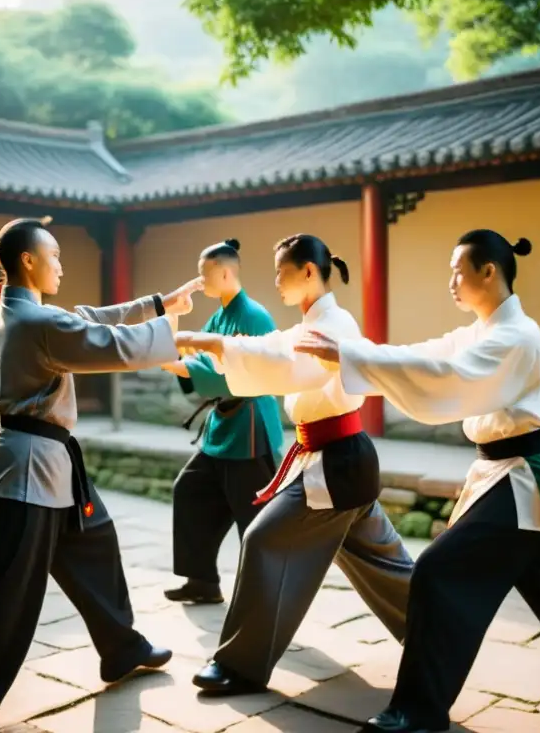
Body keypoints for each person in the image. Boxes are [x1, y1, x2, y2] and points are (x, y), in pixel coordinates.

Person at [294, 230, 540, 733]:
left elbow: (449, 375)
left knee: (439, 572)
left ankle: (417, 711)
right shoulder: (483, 331)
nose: (451, 281)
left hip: (523, 478)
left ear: (489, 271)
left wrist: (354, 359)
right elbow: (428, 355)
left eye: (457, 270)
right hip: (510, 476)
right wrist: (355, 352)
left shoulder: (516, 336)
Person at [0, 218, 203, 733]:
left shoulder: (25, 312)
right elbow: (108, 343)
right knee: (6, 586)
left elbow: (89, 317)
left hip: (49, 463)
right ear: (28, 261)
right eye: (53, 254)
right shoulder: (34, 323)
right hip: (28, 470)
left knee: (95, 546)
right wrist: (173, 334)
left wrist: (160, 304)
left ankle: (121, 648)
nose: (61, 263)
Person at [172, 234, 413, 696]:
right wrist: (210, 349)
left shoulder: (332, 325)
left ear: (307, 271)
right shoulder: (312, 322)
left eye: (282, 270)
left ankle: (239, 664)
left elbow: (286, 362)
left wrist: (208, 342)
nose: (276, 280)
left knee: (263, 538)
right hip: (338, 462)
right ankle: (441, 627)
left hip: (338, 465)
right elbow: (275, 348)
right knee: (384, 564)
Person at [159, 238, 284, 605]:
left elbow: (234, 373)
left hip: (249, 428)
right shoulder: (221, 314)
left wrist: (174, 362)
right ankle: (202, 581)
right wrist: (175, 318)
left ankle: (267, 593)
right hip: (223, 427)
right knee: (190, 492)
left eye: (204, 275)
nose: (199, 281)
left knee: (255, 519)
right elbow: (198, 357)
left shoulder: (255, 316)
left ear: (225, 272)